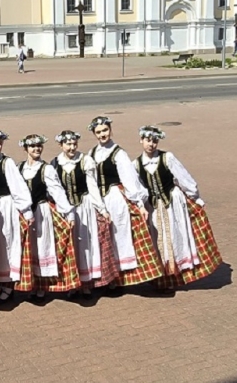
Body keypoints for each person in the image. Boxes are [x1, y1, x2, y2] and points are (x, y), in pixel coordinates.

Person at [135, 126, 223, 288]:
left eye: (154, 141)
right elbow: (138, 188)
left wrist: (194, 197)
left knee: (175, 236)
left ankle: (174, 277)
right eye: (148, 140)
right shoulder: (137, 164)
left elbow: (183, 178)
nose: (151, 144)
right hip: (153, 207)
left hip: (171, 204)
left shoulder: (167, 158)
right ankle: (161, 278)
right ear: (141, 140)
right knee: (158, 239)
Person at [88, 116, 162, 286]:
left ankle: (119, 279)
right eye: (98, 132)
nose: (102, 134)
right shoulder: (91, 154)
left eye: (105, 130)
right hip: (100, 199)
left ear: (110, 130)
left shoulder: (118, 153)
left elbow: (129, 179)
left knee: (119, 234)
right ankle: (108, 277)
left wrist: (139, 203)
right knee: (103, 238)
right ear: (94, 134)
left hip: (115, 198)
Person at [51, 129, 118, 294]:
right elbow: (54, 189)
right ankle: (73, 284)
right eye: (68, 144)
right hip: (67, 209)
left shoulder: (85, 161)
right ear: (61, 145)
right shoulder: (54, 163)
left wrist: (102, 209)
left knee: (86, 244)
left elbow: (92, 186)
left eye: (74, 144)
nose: (72, 147)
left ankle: (87, 284)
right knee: (71, 245)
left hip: (84, 207)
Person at [17, 135, 80, 297]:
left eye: (39, 146)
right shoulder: (20, 168)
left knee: (42, 247)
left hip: (41, 212)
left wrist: (69, 213)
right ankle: (31, 284)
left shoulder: (46, 169)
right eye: (32, 147)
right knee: (28, 248)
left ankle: (42, 288)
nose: (36, 149)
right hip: (25, 214)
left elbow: (57, 192)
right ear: (26, 149)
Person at [0, 129, 34, 300]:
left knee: (7, 244)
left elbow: (18, 188)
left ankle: (8, 285)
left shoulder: (7, 162)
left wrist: (26, 211)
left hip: (5, 207)